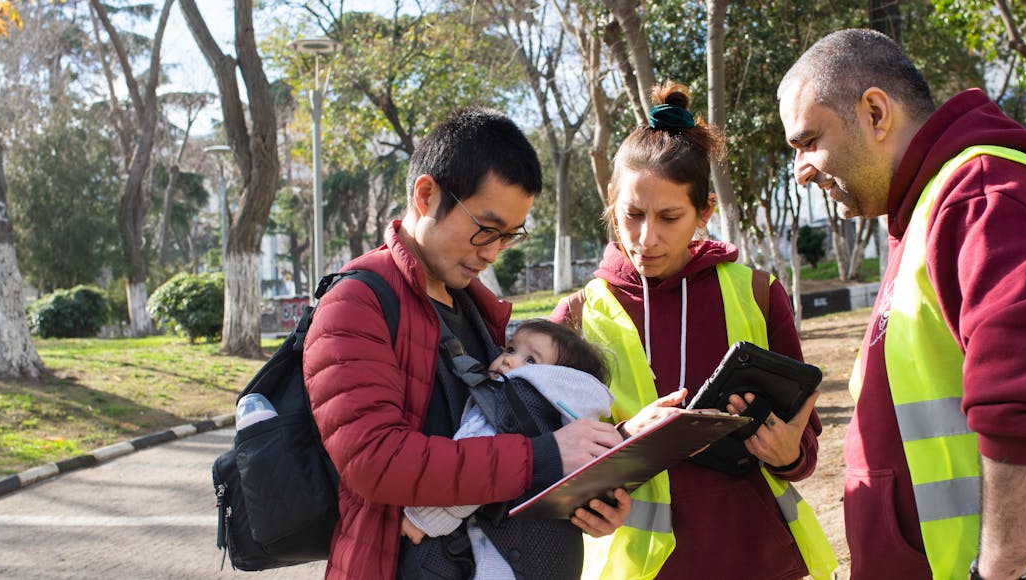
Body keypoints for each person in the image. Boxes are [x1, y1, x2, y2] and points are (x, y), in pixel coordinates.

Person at [776, 29, 1026, 580]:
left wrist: (997, 571)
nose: (801, 170)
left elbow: (1024, 403)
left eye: (807, 141)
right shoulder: (930, 207)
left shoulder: (986, 196)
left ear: (874, 112)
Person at [304, 108, 630, 580]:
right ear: (426, 195)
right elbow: (373, 461)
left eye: (508, 236)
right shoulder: (355, 304)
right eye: (485, 228)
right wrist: (546, 457)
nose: (492, 252)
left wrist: (577, 497)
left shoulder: (480, 313)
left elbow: (498, 452)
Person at [553, 82, 837, 580]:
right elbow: (546, 460)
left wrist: (790, 452)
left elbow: (804, 442)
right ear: (611, 204)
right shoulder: (575, 317)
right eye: (633, 216)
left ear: (704, 212)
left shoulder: (758, 293)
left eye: (669, 217)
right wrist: (623, 439)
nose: (647, 238)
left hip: (757, 560)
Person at [401, 320, 614, 579]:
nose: (508, 361)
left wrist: (423, 519)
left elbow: (472, 469)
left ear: (561, 377)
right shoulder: (571, 419)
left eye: (531, 361)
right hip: (552, 554)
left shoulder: (511, 399)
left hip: (501, 553)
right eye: (510, 349)